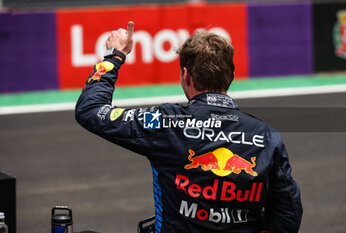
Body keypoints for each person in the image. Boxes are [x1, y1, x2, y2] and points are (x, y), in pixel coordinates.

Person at [75, 21, 302, 233]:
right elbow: (288, 213)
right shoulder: (266, 136)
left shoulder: (165, 122)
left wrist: (113, 56)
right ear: (230, 76)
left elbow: (92, 110)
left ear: (186, 76)